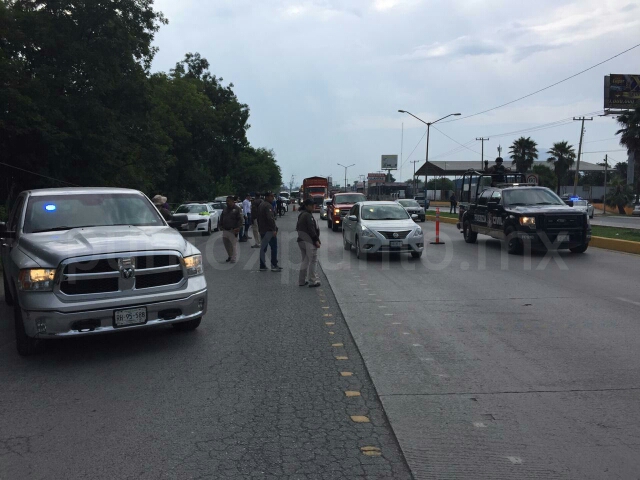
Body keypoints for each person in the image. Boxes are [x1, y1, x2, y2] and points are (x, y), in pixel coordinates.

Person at [296, 199, 321, 287]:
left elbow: (297, 227)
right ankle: (313, 280)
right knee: (313, 261)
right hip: (309, 241)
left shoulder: (302, 214)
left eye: (314, 205)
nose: (313, 206)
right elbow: (311, 229)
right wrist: (316, 240)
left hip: (301, 240)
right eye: (311, 205)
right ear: (306, 206)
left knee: (305, 261)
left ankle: (301, 281)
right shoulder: (308, 215)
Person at [258, 192, 282, 272]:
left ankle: (262, 265)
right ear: (267, 197)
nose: (273, 198)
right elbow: (270, 218)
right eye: (271, 196)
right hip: (268, 230)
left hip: (262, 229)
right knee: (274, 247)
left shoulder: (261, 205)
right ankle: (274, 265)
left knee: (263, 248)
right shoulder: (268, 206)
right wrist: (273, 229)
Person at [219, 195, 243, 263]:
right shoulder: (225, 209)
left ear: (233, 201)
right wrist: (220, 225)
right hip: (225, 229)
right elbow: (222, 217)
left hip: (233, 229)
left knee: (233, 244)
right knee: (226, 244)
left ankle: (233, 258)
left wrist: (238, 228)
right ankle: (230, 256)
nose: (227, 202)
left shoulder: (237, 209)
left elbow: (240, 219)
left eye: (228, 201)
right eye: (226, 201)